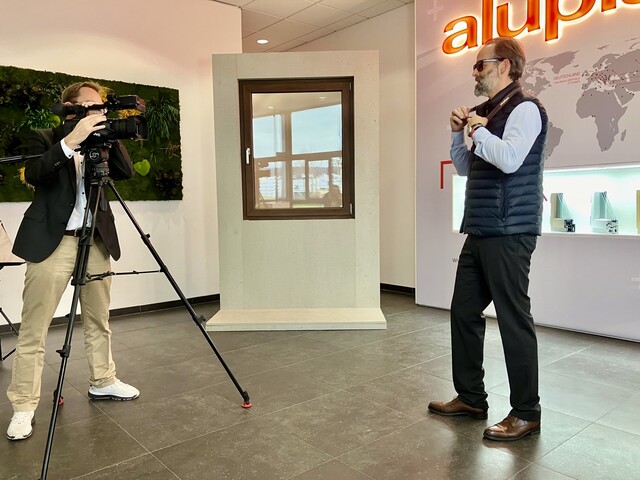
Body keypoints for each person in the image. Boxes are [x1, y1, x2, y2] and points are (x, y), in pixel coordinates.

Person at [428, 37, 548, 442]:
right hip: (480, 228)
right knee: (463, 312)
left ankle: (527, 412)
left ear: (506, 66)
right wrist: (457, 134)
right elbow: (467, 168)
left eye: (480, 65)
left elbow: (511, 160)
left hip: (510, 231)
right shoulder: (485, 114)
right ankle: (472, 398)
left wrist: (479, 131)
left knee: (513, 320)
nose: (474, 73)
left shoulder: (526, 109)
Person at [6, 81, 140, 441]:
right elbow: (35, 175)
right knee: (35, 329)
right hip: (54, 243)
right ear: (71, 108)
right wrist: (71, 141)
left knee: (99, 320)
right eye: (92, 106)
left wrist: (108, 137)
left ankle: (103, 380)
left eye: (103, 107)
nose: (100, 112)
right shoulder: (44, 137)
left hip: (94, 240)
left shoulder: (104, 139)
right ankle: (23, 405)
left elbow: (124, 173)